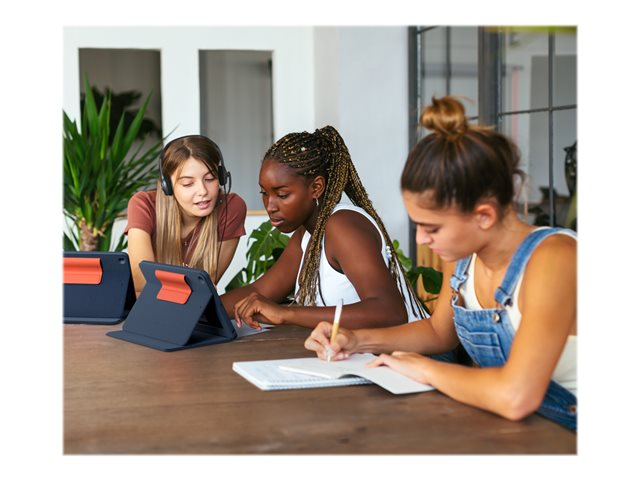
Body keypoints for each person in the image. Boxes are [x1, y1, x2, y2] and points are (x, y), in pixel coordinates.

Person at [304, 97, 577, 430]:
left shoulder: (554, 258)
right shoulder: (465, 257)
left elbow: (516, 396)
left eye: (432, 228)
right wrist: (355, 340)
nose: (421, 240)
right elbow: (438, 333)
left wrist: (424, 369)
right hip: (514, 428)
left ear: (484, 215)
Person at [221, 126, 426, 330]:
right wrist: (203, 309)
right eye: (264, 193)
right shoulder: (307, 234)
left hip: (413, 348)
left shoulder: (342, 226)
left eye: (282, 195)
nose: (270, 206)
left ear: (316, 188)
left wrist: (286, 314)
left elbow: (390, 311)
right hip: (365, 348)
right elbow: (261, 290)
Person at [126, 134, 247, 295]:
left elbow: (203, 289)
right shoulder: (144, 204)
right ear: (167, 186)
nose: (203, 191)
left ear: (221, 177)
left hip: (195, 308)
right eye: (188, 183)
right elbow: (141, 282)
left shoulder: (231, 208)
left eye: (210, 178)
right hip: (146, 306)